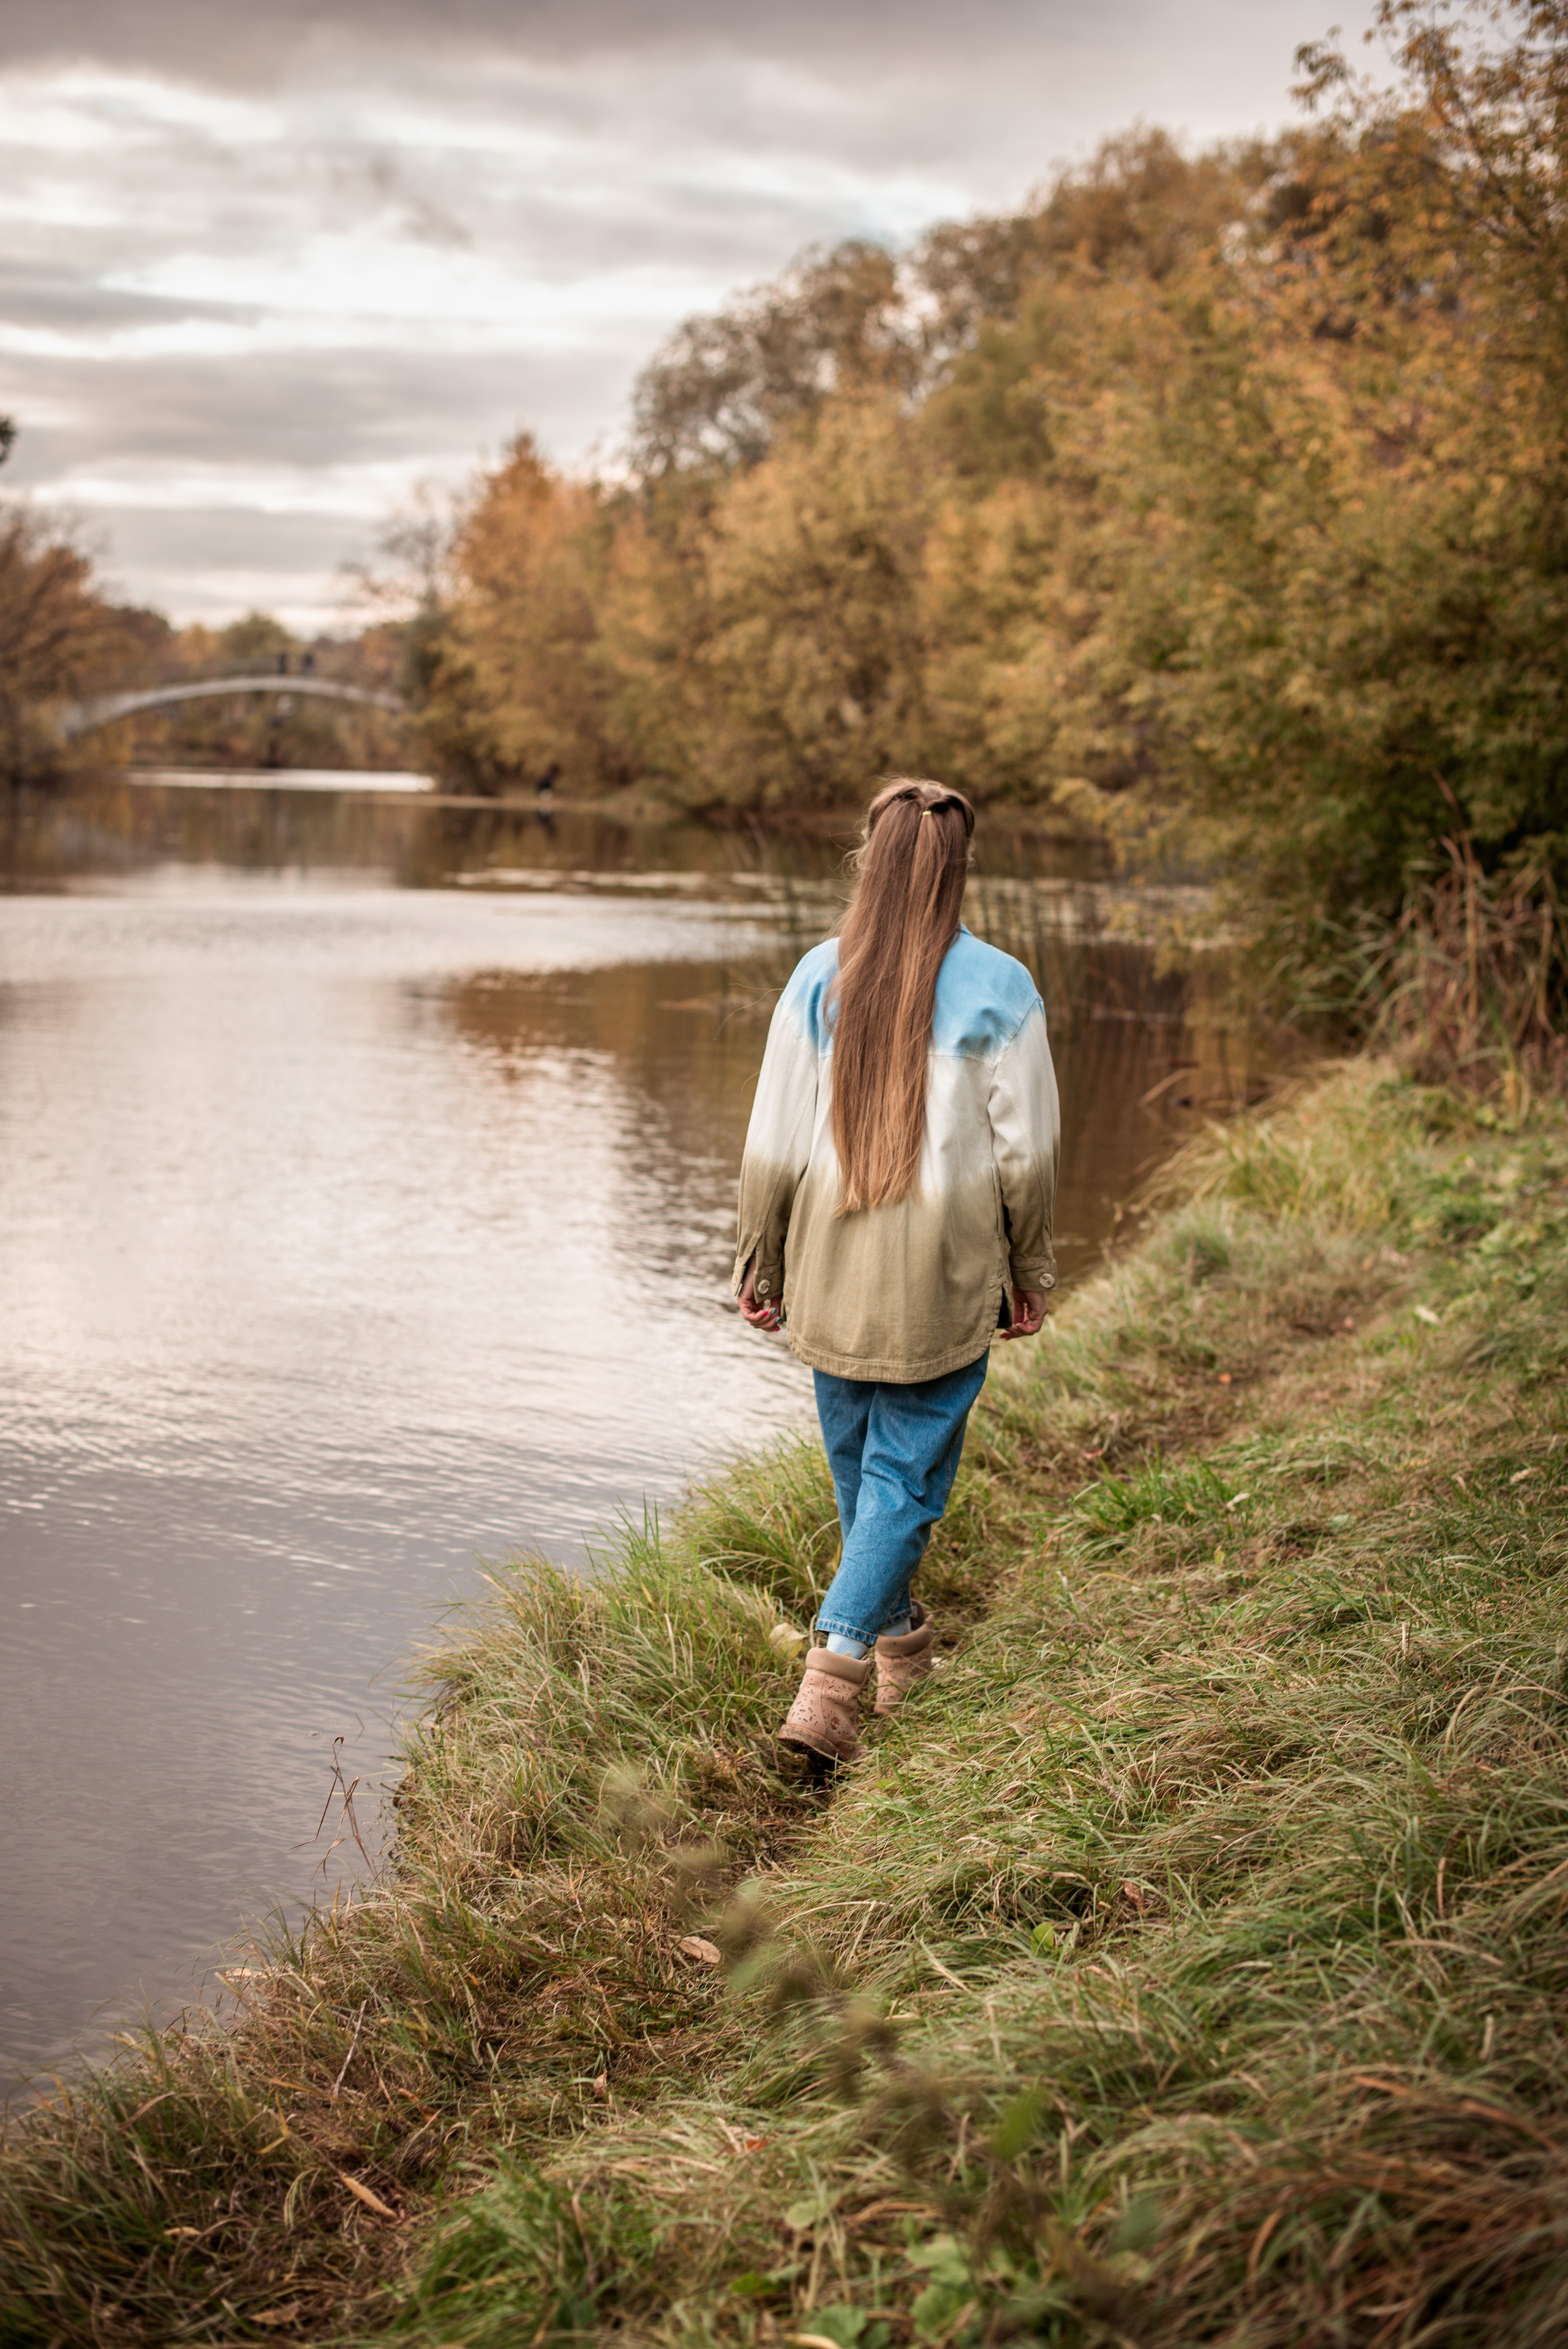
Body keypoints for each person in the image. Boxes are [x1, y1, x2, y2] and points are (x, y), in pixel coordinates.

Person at [734, 779, 1060, 1763]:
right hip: (943, 1273)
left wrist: (765, 1255)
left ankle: (877, 1663)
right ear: (957, 868)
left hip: (832, 1272)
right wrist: (1029, 1265)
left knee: (876, 1482)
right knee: (895, 1486)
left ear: (870, 861)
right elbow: (1029, 1155)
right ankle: (849, 1676)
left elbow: (771, 1141)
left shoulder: (814, 979)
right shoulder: (1002, 985)